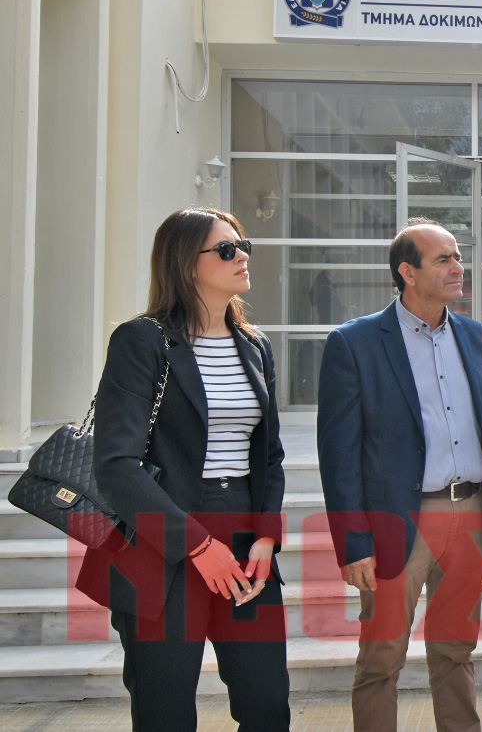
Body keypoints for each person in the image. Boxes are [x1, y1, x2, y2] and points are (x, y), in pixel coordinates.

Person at [76, 208, 289, 731]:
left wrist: (265, 536)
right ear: (186, 262)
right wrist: (196, 545)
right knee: (165, 708)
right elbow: (117, 465)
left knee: (266, 702)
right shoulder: (142, 341)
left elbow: (269, 455)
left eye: (243, 246)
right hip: (162, 539)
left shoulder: (254, 346)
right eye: (226, 249)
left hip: (243, 534)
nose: (241, 257)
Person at [316, 217, 482, 732]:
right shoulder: (355, 344)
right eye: (443, 259)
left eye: (458, 257)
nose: (458, 267)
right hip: (398, 520)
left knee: (457, 648)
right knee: (382, 657)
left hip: (472, 514)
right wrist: (353, 542)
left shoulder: (476, 337)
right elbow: (338, 456)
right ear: (407, 272)